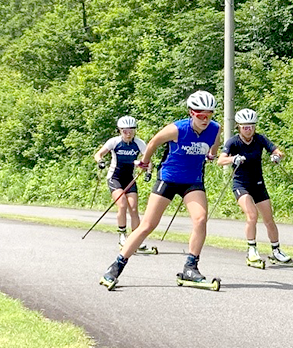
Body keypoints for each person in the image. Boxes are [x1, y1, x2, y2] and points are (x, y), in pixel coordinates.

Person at [100, 91, 222, 289]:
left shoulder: (215, 128)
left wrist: (211, 155)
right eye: (201, 115)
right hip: (169, 178)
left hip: (193, 181)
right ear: (192, 113)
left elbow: (214, 144)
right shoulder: (176, 129)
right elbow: (154, 142)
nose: (206, 119)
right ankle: (116, 266)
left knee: (200, 219)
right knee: (148, 224)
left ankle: (190, 267)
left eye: (209, 114)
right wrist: (145, 161)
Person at [217, 108, 293, 267]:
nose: (249, 130)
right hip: (241, 184)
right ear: (239, 127)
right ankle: (251, 250)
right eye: (245, 127)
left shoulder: (259, 139)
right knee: (252, 215)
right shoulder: (233, 142)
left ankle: (276, 251)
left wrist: (276, 156)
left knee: (269, 218)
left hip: (258, 183)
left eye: (252, 126)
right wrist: (234, 158)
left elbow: (277, 151)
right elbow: (221, 160)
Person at [93, 115, 152, 252]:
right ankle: (122, 236)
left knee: (133, 208)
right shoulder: (114, 142)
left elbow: (148, 160)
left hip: (129, 178)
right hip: (115, 177)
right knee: (122, 204)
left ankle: (136, 239)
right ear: (120, 130)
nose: (128, 133)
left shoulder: (139, 143)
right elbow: (98, 154)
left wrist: (148, 171)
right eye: (125, 130)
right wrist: (100, 162)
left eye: (131, 130)